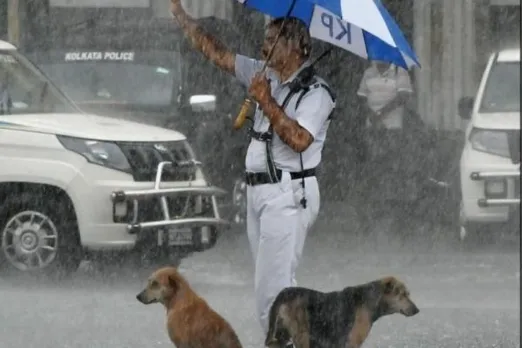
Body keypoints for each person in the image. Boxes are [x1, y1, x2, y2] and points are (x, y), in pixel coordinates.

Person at [170, 0, 336, 344]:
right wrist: (186, 21)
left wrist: (265, 100)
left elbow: (299, 140)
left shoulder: (317, 94)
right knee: (277, 287)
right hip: (259, 193)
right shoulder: (266, 74)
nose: (264, 45)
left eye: (272, 38)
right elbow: (220, 55)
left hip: (287, 193)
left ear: (293, 46)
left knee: (270, 293)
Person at [355, 60, 414, 231]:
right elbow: (361, 97)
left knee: (392, 168)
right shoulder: (369, 72)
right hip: (372, 129)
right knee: (374, 168)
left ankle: (394, 209)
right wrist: (371, 115)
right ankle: (376, 207)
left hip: (393, 129)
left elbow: (403, 97)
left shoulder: (400, 72)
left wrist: (381, 113)